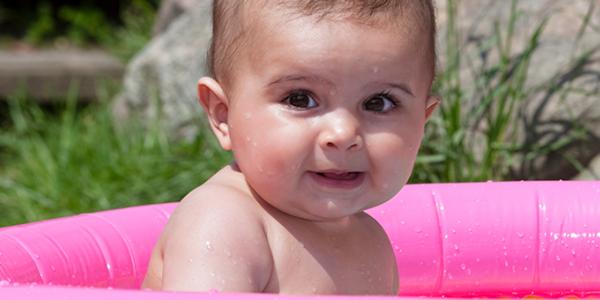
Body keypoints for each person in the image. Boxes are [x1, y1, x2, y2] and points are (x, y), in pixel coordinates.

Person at [143, 0, 438, 295]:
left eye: (379, 103)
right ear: (223, 115)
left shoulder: (370, 240)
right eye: (300, 99)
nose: (343, 133)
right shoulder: (223, 222)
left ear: (422, 124)